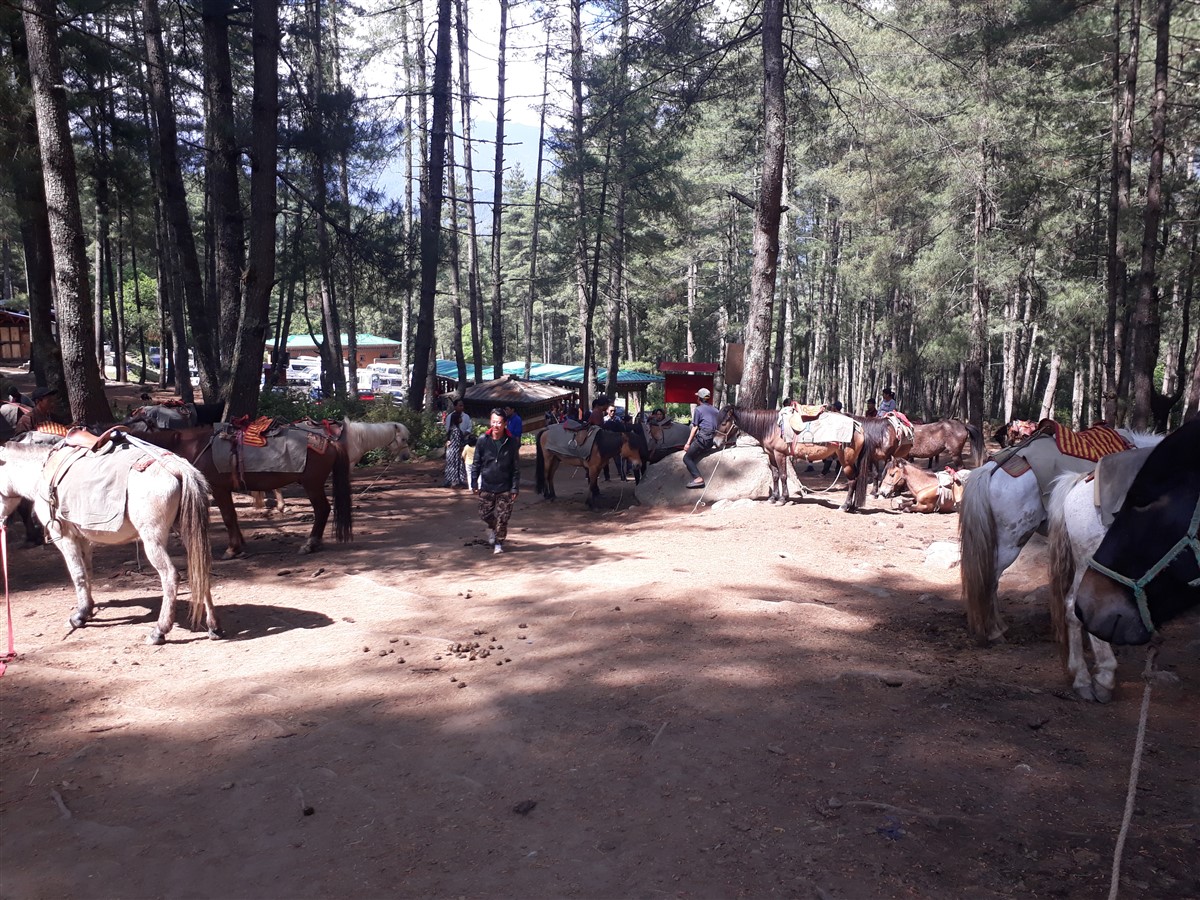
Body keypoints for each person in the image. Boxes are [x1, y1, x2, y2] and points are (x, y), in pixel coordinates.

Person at [471, 408, 520, 554]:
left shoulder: (511, 443)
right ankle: (492, 528)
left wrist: (515, 488)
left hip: (505, 486)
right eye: (494, 422)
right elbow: (476, 463)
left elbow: (516, 468)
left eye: (499, 422)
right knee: (484, 514)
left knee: (503, 518)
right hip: (487, 485)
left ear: (505, 423)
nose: (496, 425)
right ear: (490, 422)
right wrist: (474, 482)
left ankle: (499, 543)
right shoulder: (482, 440)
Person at [682, 387, 721, 488]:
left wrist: (687, 444)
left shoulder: (698, 410)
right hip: (713, 440)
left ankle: (698, 478)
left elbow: (695, 427)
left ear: (699, 399)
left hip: (703, 439)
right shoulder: (715, 410)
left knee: (687, 458)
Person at [442, 399, 472, 488]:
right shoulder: (453, 423)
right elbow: (450, 435)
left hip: (456, 448)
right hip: (456, 449)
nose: (461, 407)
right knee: (455, 465)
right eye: (459, 405)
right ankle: (454, 482)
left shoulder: (466, 417)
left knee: (455, 464)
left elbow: (469, 428)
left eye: (462, 405)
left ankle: (455, 481)